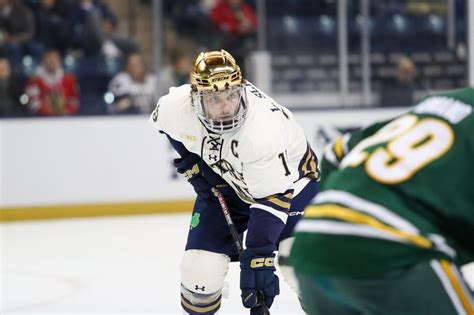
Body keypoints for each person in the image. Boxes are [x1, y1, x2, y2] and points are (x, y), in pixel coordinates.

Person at [149, 49, 319, 314]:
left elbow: (272, 200)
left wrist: (258, 259)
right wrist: (195, 164)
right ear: (196, 98)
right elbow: (169, 128)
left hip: (292, 190)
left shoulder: (262, 132)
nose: (227, 106)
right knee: (199, 274)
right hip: (232, 186)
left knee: (300, 267)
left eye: (231, 95)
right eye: (215, 98)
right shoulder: (177, 106)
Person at [290, 88, 474, 315]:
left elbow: (335, 153)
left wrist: (333, 217)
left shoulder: (440, 103)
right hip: (393, 252)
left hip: (312, 251)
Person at [25, 48, 79, 116]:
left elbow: (74, 100)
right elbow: (34, 103)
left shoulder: (69, 79)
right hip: (42, 119)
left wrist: (67, 112)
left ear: (59, 61)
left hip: (66, 119)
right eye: (49, 59)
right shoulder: (34, 80)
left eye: (55, 58)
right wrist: (51, 114)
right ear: (43, 61)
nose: (52, 61)